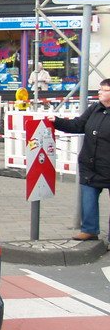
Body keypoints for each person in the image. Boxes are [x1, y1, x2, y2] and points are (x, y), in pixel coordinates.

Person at [53, 79, 110, 240]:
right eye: (99, 89)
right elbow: (78, 125)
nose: (99, 92)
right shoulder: (95, 108)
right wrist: (56, 121)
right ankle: (90, 230)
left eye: (104, 90)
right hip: (90, 166)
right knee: (89, 199)